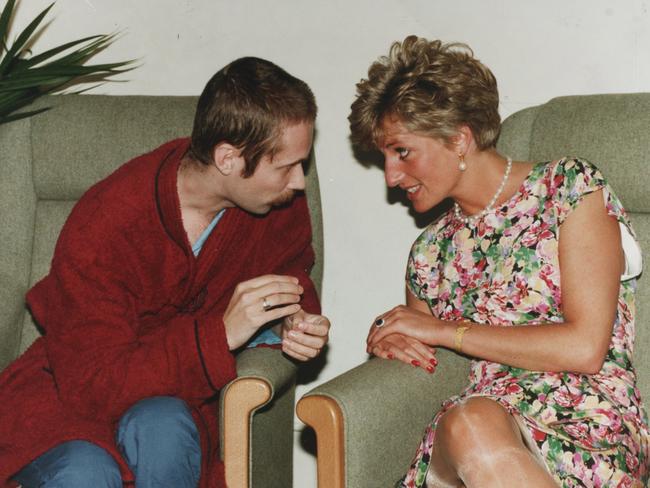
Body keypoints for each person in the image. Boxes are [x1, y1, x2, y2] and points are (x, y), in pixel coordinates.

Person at [0, 57, 330, 488]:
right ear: (229, 159)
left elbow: (291, 272)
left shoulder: (275, 206)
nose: (299, 182)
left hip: (176, 398)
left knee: (164, 427)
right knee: (85, 472)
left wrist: (292, 320)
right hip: (71, 393)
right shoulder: (107, 222)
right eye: (285, 166)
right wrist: (219, 334)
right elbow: (92, 386)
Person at [349, 36, 649, 487]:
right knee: (469, 423)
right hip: (480, 429)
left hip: (587, 428)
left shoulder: (568, 189)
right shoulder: (430, 253)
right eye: (384, 157)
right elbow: (420, 347)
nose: (391, 177)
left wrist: (445, 331)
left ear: (459, 139)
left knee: (471, 425)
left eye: (402, 151)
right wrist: (389, 341)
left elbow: (584, 349)